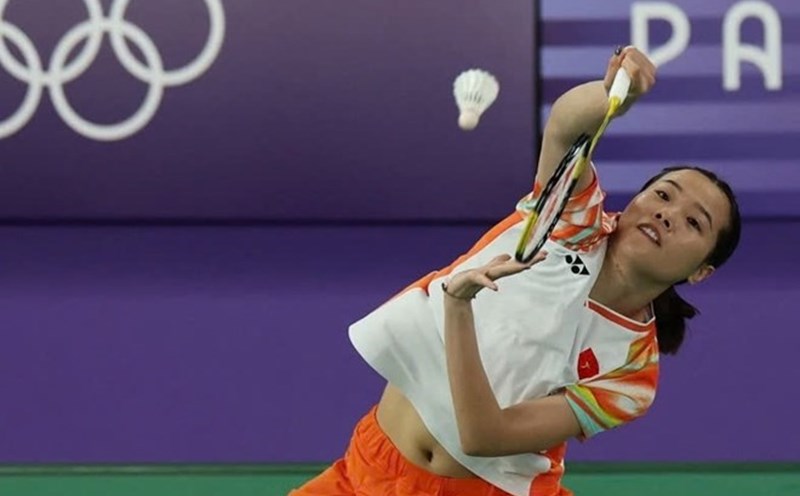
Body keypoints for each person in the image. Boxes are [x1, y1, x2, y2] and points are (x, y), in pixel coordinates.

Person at [289, 46, 742, 496]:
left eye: (694, 222)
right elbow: (564, 128)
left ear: (701, 272)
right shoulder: (568, 224)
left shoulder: (632, 370)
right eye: (663, 194)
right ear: (632, 204)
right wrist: (612, 97)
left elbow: (484, 436)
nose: (668, 214)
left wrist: (457, 307)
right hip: (369, 466)